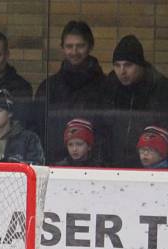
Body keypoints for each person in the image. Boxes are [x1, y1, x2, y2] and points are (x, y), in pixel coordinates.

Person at [34, 21, 105, 164]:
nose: (74, 52)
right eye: (69, 46)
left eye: (80, 46)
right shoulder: (49, 87)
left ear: (90, 46)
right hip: (55, 164)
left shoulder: (105, 86)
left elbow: (108, 130)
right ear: (62, 48)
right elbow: (38, 129)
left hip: (95, 166)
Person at [96, 35, 168, 168]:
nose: (122, 72)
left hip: (150, 168)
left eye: (128, 65)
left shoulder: (160, 89)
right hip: (112, 167)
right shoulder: (109, 88)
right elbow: (102, 129)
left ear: (140, 65)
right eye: (117, 65)